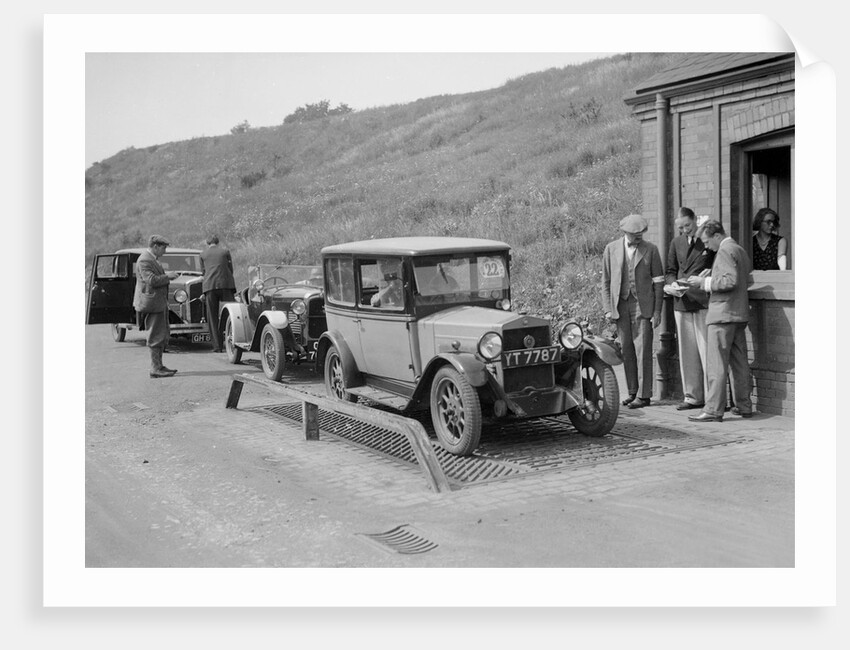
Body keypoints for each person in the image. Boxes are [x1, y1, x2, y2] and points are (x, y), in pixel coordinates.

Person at [683, 220, 753, 422]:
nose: (706, 247)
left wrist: (703, 282)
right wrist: (713, 274)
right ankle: (744, 405)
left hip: (722, 315)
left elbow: (729, 281)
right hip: (738, 314)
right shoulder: (738, 249)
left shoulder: (723, 250)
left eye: (706, 242)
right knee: (739, 363)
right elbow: (741, 278)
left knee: (716, 364)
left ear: (717, 236)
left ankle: (713, 409)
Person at [602, 214, 665, 409]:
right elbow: (605, 282)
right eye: (635, 235)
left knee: (643, 349)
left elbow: (659, 283)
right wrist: (607, 308)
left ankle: (644, 395)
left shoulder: (651, 250)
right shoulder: (611, 249)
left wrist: (657, 311)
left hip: (642, 305)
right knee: (627, 349)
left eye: (641, 234)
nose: (639, 238)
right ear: (625, 232)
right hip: (620, 305)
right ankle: (631, 391)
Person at [664, 208, 715, 410]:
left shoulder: (707, 240)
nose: (685, 230)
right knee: (687, 352)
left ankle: (713, 398)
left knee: (706, 350)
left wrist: (708, 275)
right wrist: (671, 285)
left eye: (688, 225)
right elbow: (669, 270)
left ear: (695, 220)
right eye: (681, 227)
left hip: (702, 300)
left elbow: (717, 264)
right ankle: (692, 396)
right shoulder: (676, 243)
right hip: (681, 301)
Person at [133, 235, 180, 378]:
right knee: (155, 335)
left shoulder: (152, 259)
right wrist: (169, 276)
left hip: (157, 302)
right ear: (155, 246)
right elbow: (151, 280)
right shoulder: (145, 260)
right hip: (152, 303)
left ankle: (159, 366)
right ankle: (155, 368)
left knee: (161, 333)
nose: (165, 251)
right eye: (163, 248)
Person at [200, 234, 236, 353]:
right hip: (226, 284)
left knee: (212, 317)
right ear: (218, 242)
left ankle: (217, 346)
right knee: (232, 313)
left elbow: (203, 272)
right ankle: (234, 341)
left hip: (210, 286)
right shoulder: (225, 251)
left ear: (207, 242)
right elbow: (230, 269)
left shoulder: (203, 254)